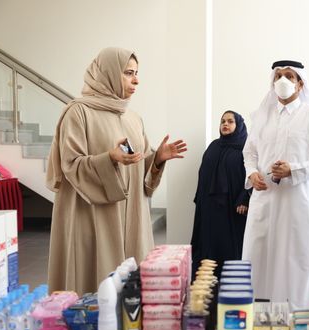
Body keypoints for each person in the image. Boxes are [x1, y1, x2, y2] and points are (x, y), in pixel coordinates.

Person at [45, 47, 187, 294]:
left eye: (137, 73)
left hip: (130, 213)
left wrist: (157, 159)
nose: (136, 80)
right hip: (90, 215)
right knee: (95, 284)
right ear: (109, 73)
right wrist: (108, 158)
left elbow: (137, 166)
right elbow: (71, 164)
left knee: (129, 289)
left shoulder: (133, 117)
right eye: (129, 73)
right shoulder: (78, 112)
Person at [242, 60, 309, 310]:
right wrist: (252, 174)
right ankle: (260, 318)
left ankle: (299, 317)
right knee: (259, 257)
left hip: (298, 203)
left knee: (297, 260)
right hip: (265, 201)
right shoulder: (262, 116)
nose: (282, 80)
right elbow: (249, 152)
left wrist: (293, 169)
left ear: (300, 83)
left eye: (289, 76)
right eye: (278, 75)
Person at [190, 111, 250, 275]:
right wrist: (200, 200)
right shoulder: (214, 146)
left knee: (230, 245)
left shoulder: (247, 148)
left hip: (233, 208)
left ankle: (230, 282)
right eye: (223, 121)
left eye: (230, 121)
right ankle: (206, 282)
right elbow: (204, 174)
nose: (225, 124)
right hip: (209, 207)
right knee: (209, 243)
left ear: (238, 126)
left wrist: (244, 199)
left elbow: (251, 175)